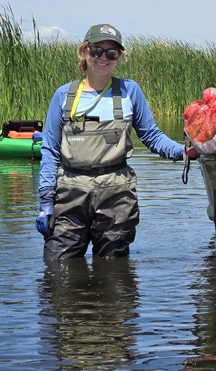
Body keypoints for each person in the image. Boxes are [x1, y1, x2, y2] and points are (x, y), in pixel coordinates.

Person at [36, 23, 198, 260]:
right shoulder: (63, 95)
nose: (104, 58)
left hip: (116, 194)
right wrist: (45, 203)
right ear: (84, 52)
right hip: (70, 193)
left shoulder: (129, 91)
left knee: (114, 274)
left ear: (119, 57)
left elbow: (152, 137)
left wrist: (185, 152)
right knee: (57, 269)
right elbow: (50, 150)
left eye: (112, 53)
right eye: (96, 51)